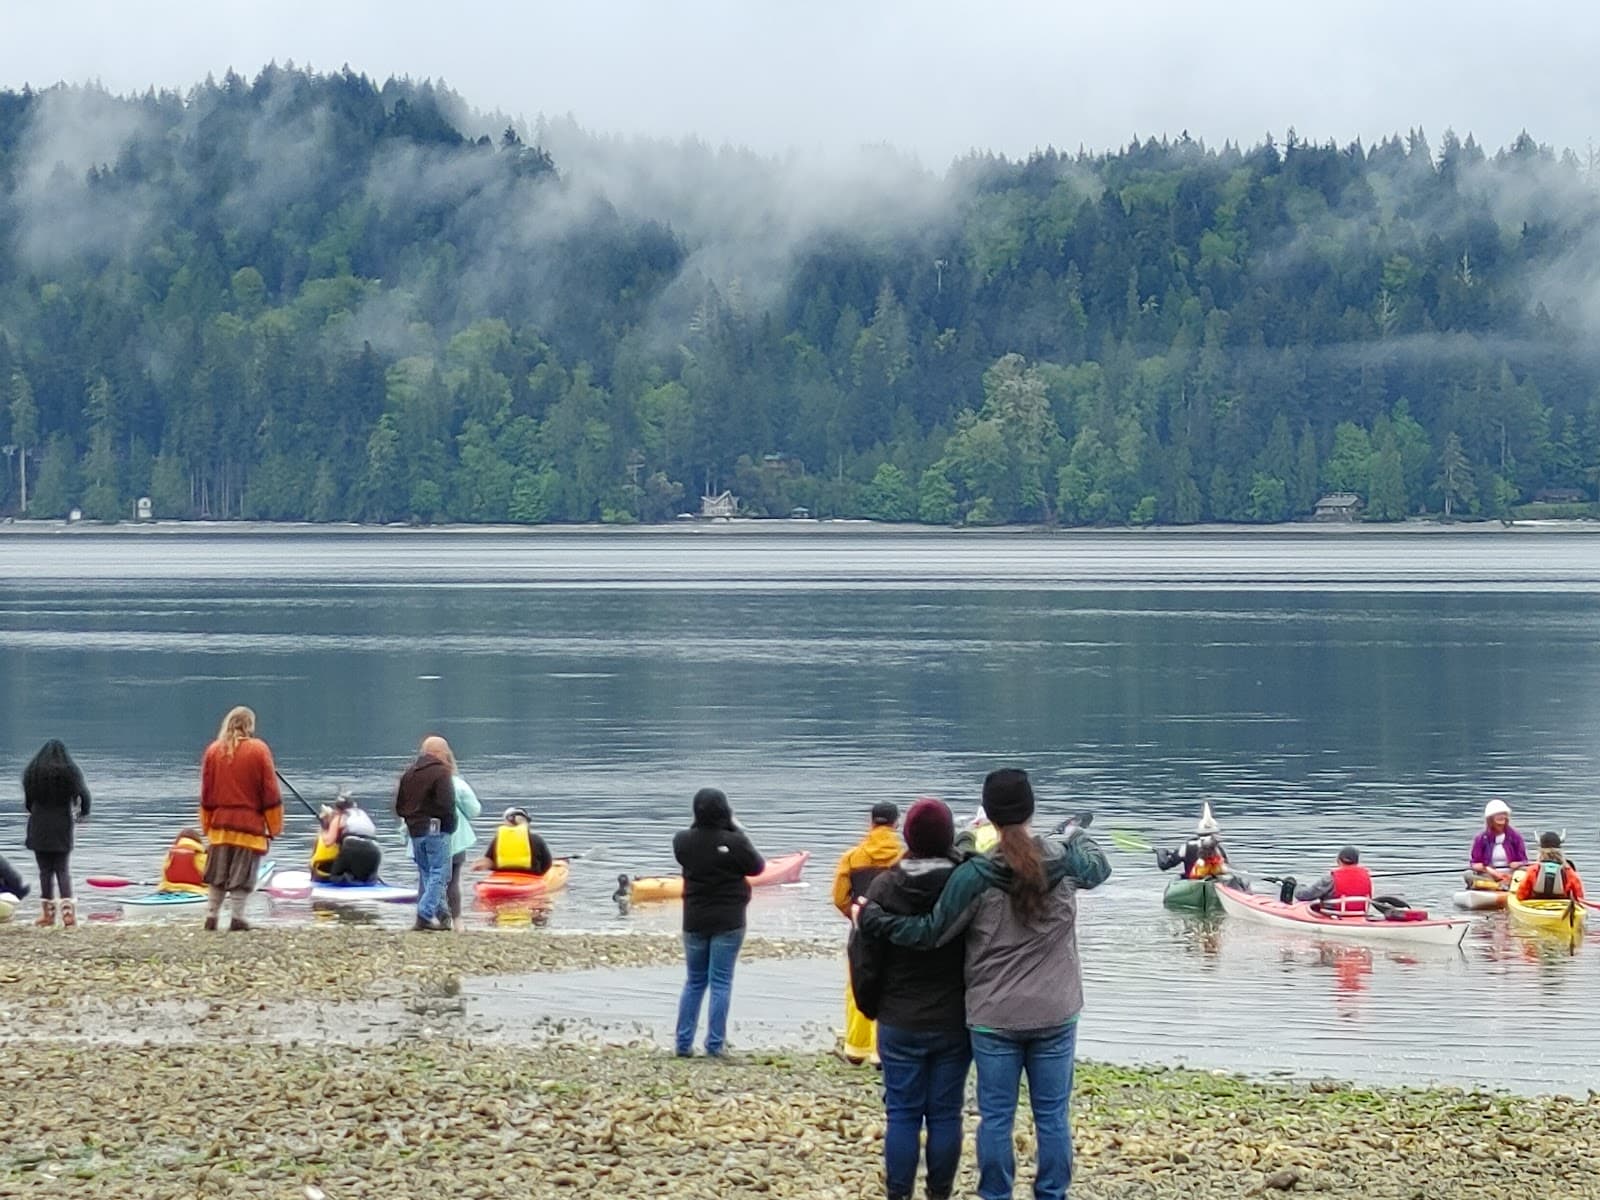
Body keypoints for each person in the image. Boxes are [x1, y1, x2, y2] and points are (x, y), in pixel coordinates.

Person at [856, 768, 1112, 1200]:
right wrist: (1073, 834)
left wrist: (877, 920)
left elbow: (929, 933)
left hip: (993, 1016)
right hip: (1055, 1011)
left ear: (988, 815)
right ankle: (1052, 1193)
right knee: (1052, 1117)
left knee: (995, 1117)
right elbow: (1099, 866)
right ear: (1030, 809)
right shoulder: (1067, 863)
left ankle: (996, 1194)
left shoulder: (974, 876)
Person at [849, 798, 969, 1200]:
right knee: (945, 1114)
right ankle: (940, 1194)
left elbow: (864, 954)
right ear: (949, 836)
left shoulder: (886, 884)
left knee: (901, 1114)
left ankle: (899, 1194)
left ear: (909, 836)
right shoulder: (963, 882)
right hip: (954, 1017)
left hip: (899, 1018)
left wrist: (871, 1007)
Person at [672, 787, 765, 1058]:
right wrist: (735, 828)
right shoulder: (735, 842)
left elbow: (686, 853)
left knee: (694, 981)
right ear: (724, 810)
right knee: (721, 982)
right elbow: (757, 867)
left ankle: (683, 1043)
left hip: (694, 918)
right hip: (729, 919)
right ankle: (714, 1044)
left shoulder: (682, 840)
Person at [832, 800, 904, 1064]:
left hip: (861, 930)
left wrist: (853, 915)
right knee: (892, 988)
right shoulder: (905, 857)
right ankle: (880, 1051)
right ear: (897, 824)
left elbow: (839, 897)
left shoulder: (853, 857)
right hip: (895, 931)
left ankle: (856, 1048)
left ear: (871, 823)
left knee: (857, 986)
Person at [199, 706, 283, 931]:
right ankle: (237, 917)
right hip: (249, 826)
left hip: (219, 825)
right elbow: (270, 792)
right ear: (249, 725)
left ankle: (211, 915)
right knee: (241, 874)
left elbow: (206, 792)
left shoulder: (213, 751)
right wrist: (274, 826)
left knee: (217, 873)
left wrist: (206, 824)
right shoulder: (259, 750)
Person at [24, 739, 92, 928]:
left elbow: (28, 802)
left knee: (45, 871)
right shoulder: (70, 773)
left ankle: (48, 914)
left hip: (39, 825)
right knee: (62, 869)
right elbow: (84, 796)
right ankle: (68, 913)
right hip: (62, 824)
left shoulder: (32, 773)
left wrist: (35, 811)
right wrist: (82, 814)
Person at [395, 735, 457, 931]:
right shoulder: (442, 773)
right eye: (445, 751)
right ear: (439, 752)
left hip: (415, 831)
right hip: (436, 829)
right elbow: (446, 804)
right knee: (440, 872)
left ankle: (443, 914)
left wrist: (412, 820)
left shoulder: (408, 774)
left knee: (427, 873)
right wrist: (450, 824)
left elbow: (399, 806)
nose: (447, 755)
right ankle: (424, 913)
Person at [310, 794, 383, 885]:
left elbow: (328, 841)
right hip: (375, 850)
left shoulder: (340, 816)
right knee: (365, 878)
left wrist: (324, 829)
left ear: (337, 809)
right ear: (354, 805)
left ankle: (347, 885)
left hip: (352, 847)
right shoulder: (362, 814)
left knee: (335, 877)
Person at [1155, 802, 1232, 881]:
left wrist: (1161, 853)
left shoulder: (1185, 848)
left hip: (1192, 882)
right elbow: (1225, 869)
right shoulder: (1218, 849)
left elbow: (1164, 865)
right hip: (1212, 882)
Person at [1465, 800, 1530, 888]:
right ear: (1490, 819)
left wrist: (1518, 864)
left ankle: (1501, 885)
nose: (1502, 817)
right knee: (1468, 874)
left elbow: (1524, 861)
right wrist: (1482, 867)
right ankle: (1499, 886)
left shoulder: (1515, 836)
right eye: (1498, 814)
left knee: (1525, 872)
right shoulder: (1481, 838)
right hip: (1489, 875)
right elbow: (1475, 862)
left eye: (1504, 814)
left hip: (1512, 875)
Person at [1293, 846, 1372, 915]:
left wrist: (1298, 887)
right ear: (1357, 861)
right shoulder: (1366, 876)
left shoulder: (1329, 879)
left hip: (1334, 914)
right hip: (1360, 913)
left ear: (1338, 860)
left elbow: (1305, 895)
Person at [1515, 832, 1585, 902]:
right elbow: (1579, 897)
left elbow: (1521, 895)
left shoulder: (1533, 870)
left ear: (1541, 851)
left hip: (1536, 906)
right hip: (1562, 906)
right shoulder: (1568, 871)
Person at [484, 808, 554, 875]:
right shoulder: (536, 839)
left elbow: (488, 862)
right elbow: (547, 863)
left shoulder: (498, 839)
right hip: (531, 876)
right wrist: (540, 874)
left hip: (502, 876)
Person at [159, 828, 209, 893]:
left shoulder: (170, 855)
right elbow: (208, 879)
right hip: (197, 890)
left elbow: (164, 876)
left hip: (169, 889)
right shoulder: (203, 856)